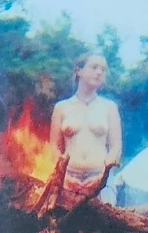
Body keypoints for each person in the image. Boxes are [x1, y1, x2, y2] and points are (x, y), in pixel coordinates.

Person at [49, 52, 122, 201]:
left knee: (104, 216)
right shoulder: (62, 107)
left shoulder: (109, 107)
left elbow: (116, 147)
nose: (99, 72)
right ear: (79, 71)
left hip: (101, 182)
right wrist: (62, 174)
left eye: (103, 69)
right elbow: (54, 146)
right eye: (94, 67)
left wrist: (103, 175)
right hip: (68, 181)